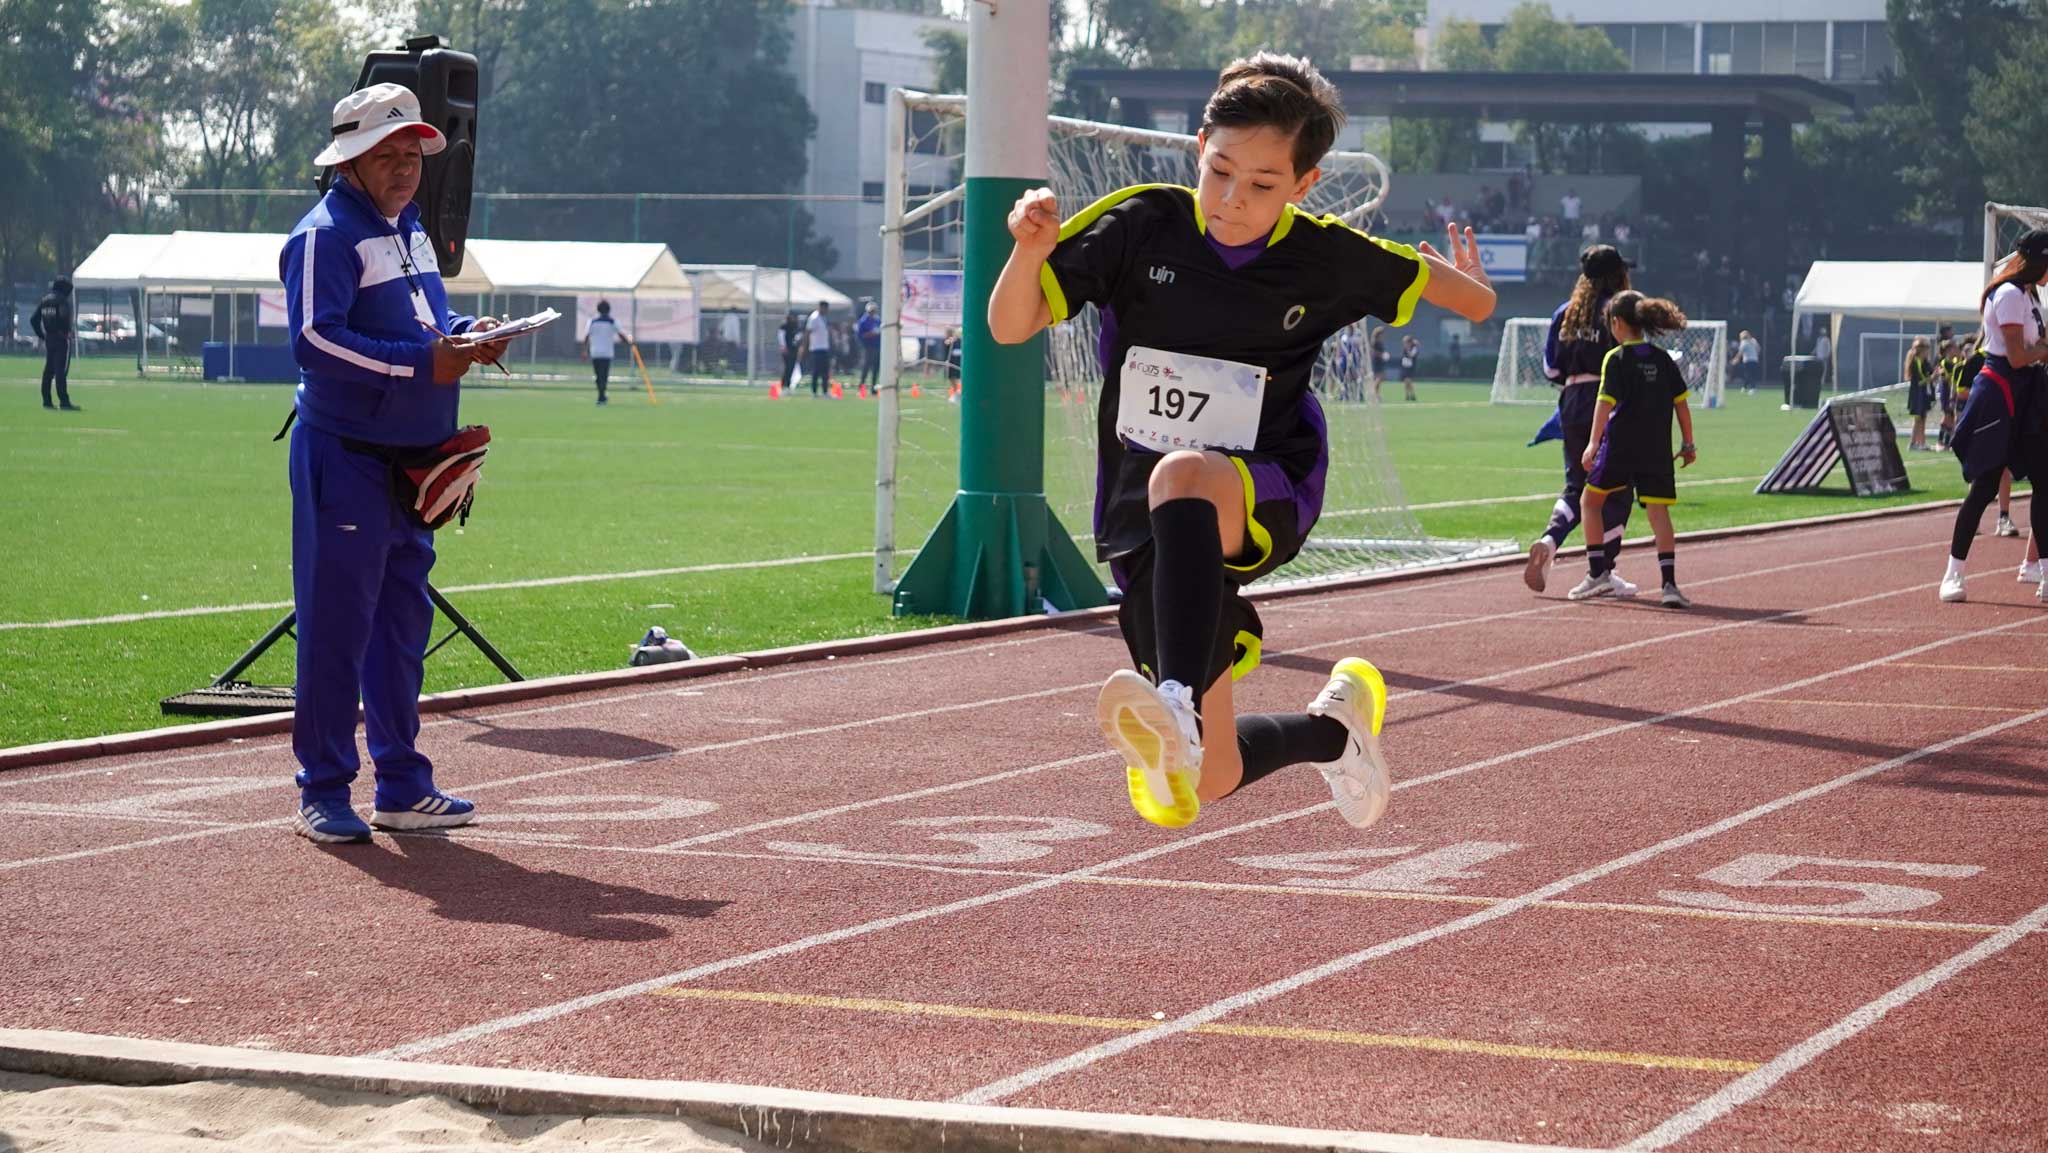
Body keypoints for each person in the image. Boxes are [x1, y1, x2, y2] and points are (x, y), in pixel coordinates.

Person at [988, 52, 1497, 833]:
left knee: (1185, 475)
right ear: (1199, 147)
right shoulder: (1142, 223)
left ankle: (1174, 702)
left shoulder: (1326, 256)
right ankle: (1335, 731)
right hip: (1139, 509)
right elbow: (1010, 325)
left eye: (1262, 185)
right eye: (1219, 171)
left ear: (1304, 184)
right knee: (1213, 774)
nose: (1231, 199)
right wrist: (1028, 250)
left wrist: (1463, 280)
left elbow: (1478, 305)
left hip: (1267, 483)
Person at [279, 82, 502, 843]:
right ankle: (323, 789)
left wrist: (466, 334)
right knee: (336, 628)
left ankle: (403, 783)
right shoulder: (324, 235)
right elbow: (314, 340)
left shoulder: (409, 228)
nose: (407, 168)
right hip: (346, 458)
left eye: (413, 154)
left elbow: (423, 323)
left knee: (402, 627)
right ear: (350, 161)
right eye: (389, 155)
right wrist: (422, 366)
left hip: (413, 460)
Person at [1940, 229, 2048, 603]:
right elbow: (2017, 357)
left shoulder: (2029, 294)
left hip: (2028, 393)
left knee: (2044, 482)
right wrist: (2044, 350)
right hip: (2001, 393)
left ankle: (2043, 572)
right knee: (1984, 486)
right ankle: (1953, 572)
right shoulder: (2008, 294)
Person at [1523, 244, 1637, 596]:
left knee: (1577, 486)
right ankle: (1601, 571)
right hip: (1608, 402)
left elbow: (1551, 369)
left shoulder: (1565, 312)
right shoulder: (1618, 310)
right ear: (1617, 275)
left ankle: (1550, 540)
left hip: (1571, 402)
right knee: (1617, 490)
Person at [1576, 292, 1697, 608]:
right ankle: (1669, 585)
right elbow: (1681, 404)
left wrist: (1593, 443)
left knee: (1590, 501)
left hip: (1620, 446)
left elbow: (1605, 403)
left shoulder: (1616, 358)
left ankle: (1597, 573)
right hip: (1656, 448)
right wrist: (1688, 443)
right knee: (1659, 512)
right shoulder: (1663, 359)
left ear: (1616, 322)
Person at [31, 276, 79, 411]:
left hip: (49, 338)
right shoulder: (62, 301)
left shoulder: (45, 301)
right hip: (60, 339)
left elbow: (34, 319)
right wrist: (66, 332)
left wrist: (42, 335)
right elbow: (64, 318)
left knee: (48, 371)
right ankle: (64, 401)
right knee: (60, 371)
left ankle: (46, 400)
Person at [584, 300, 625, 406]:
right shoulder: (612, 321)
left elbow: (587, 336)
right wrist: (628, 342)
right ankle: (601, 396)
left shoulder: (592, 321)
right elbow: (621, 334)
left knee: (598, 376)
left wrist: (584, 351)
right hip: (607, 353)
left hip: (595, 352)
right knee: (604, 375)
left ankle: (601, 396)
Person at [1904, 336, 1934, 450]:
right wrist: (1932, 378)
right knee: (1918, 419)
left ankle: (1921, 442)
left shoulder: (1925, 362)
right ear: (1921, 349)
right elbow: (1920, 381)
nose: (1929, 351)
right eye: (1927, 348)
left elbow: (1930, 374)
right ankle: (1915, 443)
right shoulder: (1916, 362)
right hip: (1917, 394)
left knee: (1923, 418)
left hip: (1924, 394)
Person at [803, 300, 832, 396]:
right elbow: (808, 332)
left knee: (825, 372)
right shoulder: (814, 318)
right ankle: (814, 391)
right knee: (816, 371)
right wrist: (805, 346)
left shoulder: (823, 318)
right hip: (816, 348)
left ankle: (825, 391)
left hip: (824, 347)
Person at [856, 300, 882, 394]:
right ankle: (861, 386)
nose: (873, 312)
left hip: (876, 346)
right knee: (866, 367)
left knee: (876, 367)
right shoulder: (863, 321)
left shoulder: (877, 320)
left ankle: (873, 387)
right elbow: (860, 335)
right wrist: (871, 334)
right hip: (867, 346)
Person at [778, 309, 802, 392]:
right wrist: (783, 347)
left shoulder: (796, 326)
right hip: (787, 349)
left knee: (791, 368)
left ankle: (788, 386)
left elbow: (798, 337)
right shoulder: (784, 326)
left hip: (794, 349)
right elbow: (781, 336)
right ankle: (784, 385)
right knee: (787, 368)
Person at [1737, 329, 1761, 393]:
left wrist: (1736, 359)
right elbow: (1758, 349)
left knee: (1749, 375)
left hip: (1747, 360)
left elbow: (1740, 352)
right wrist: (1755, 355)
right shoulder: (1754, 340)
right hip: (1754, 360)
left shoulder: (1744, 342)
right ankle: (1744, 387)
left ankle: (1752, 388)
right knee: (1751, 375)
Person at [1399, 332, 1420, 401]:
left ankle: (1412, 395)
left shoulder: (1414, 348)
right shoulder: (1405, 349)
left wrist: (1408, 349)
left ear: (1409, 342)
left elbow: (1411, 356)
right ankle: (1407, 395)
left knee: (1409, 381)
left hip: (1410, 367)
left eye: (1405, 342)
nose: (1404, 344)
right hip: (1405, 366)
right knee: (1406, 382)